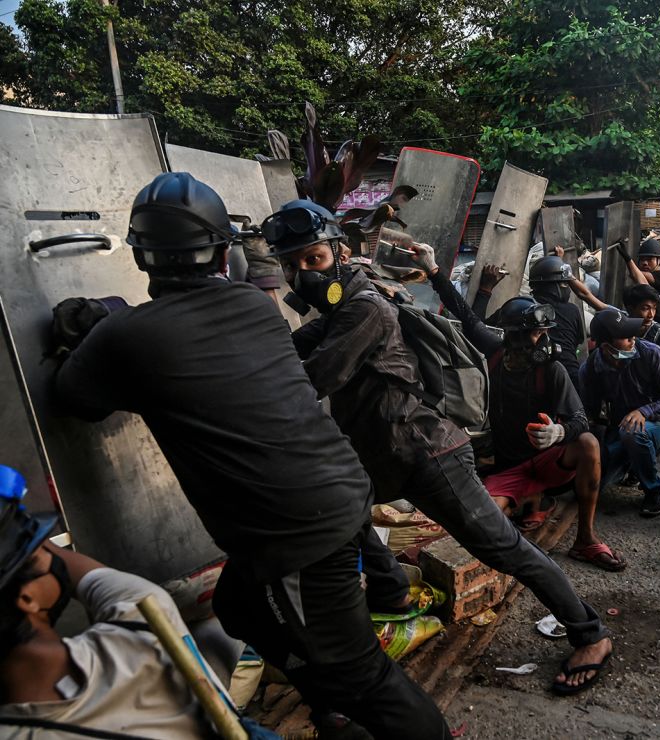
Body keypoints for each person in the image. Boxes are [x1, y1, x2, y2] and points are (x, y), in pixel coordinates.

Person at [51, 173, 443, 738]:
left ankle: (343, 698)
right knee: (239, 605)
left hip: (294, 533)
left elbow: (75, 399)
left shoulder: (125, 338)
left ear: (142, 257)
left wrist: (97, 327)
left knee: (365, 676)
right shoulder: (253, 306)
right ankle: (331, 705)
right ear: (220, 251)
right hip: (336, 493)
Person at [265, 201, 613, 696]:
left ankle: (590, 633)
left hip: (429, 454)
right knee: (343, 513)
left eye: (313, 259)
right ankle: (392, 590)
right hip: (383, 456)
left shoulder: (364, 307)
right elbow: (288, 352)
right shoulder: (343, 307)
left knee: (504, 549)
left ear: (339, 254)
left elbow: (311, 378)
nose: (302, 274)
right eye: (290, 265)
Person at [415, 245, 626, 572]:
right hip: (510, 470)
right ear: (514, 336)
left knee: (588, 444)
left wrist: (559, 432)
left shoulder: (552, 369)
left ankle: (585, 538)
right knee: (482, 522)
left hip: (548, 462)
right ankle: (528, 502)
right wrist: (432, 270)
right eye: (536, 333)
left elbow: (581, 421)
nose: (543, 339)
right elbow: (465, 317)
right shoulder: (495, 353)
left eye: (544, 332)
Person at [0, 465, 216, 737]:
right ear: (27, 598)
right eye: (38, 550)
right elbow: (87, 575)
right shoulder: (143, 626)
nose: (50, 554)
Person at [579, 309, 660, 517]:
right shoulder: (590, 368)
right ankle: (634, 465)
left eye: (633, 335)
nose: (633, 340)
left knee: (633, 432)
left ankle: (654, 490)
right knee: (595, 483)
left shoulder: (652, 354)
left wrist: (644, 412)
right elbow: (589, 411)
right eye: (627, 338)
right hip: (619, 428)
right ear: (606, 347)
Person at [516, 255, 586, 394]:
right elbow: (579, 341)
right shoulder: (572, 310)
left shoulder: (524, 308)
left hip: (535, 381)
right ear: (552, 285)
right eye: (564, 284)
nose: (567, 288)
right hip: (572, 379)